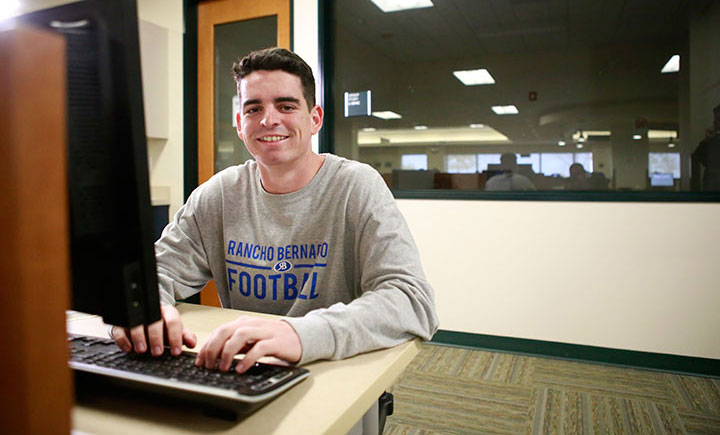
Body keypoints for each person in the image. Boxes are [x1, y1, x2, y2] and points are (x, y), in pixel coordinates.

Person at [110, 47, 439, 375]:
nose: (269, 119)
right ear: (240, 124)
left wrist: (301, 334)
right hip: (243, 370)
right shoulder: (219, 194)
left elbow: (412, 301)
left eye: (286, 106)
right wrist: (146, 310)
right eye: (254, 109)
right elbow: (152, 274)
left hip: (331, 368)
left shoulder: (355, 186)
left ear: (315, 119)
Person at [692, 104, 720, 191]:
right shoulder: (713, 141)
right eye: (715, 120)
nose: (716, 123)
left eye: (718, 119)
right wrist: (707, 141)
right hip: (712, 193)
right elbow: (698, 157)